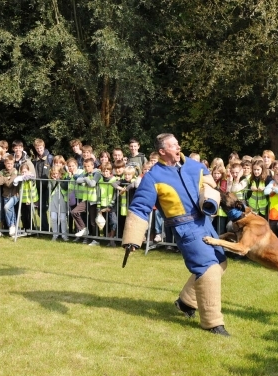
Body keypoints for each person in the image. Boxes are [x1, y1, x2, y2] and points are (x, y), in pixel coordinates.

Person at [122, 133, 229, 336]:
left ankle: (187, 302)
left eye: (177, 143)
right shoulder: (153, 176)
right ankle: (213, 322)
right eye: (173, 145)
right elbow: (140, 206)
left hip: (205, 223)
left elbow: (211, 185)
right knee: (209, 269)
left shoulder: (195, 166)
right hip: (185, 229)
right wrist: (132, 238)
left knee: (220, 261)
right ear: (162, 151)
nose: (178, 147)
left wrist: (210, 193)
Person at [71, 158, 102, 245]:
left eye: (88, 166)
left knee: (93, 221)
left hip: (94, 200)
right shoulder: (86, 174)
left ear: (93, 165)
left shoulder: (97, 173)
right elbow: (77, 180)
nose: (86, 168)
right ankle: (84, 229)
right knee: (74, 212)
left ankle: (96, 240)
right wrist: (86, 178)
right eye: (85, 166)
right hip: (86, 199)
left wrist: (85, 179)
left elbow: (93, 184)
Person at [0, 154, 20, 236]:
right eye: (7, 163)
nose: (9, 165)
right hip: (5, 195)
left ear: (13, 164)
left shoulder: (15, 171)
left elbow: (10, 184)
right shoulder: (2, 171)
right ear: (5, 164)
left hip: (15, 195)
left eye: (11, 163)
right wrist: (7, 179)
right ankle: (14, 227)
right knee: (11, 210)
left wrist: (4, 179)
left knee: (7, 207)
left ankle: (11, 225)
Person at [33, 138, 53, 232]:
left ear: (43, 147)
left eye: (40, 147)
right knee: (41, 209)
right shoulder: (35, 160)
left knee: (54, 209)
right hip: (39, 188)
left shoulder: (50, 158)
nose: (39, 150)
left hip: (49, 187)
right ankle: (45, 228)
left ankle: (58, 230)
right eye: (37, 148)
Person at [97, 162, 118, 246]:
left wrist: (110, 206)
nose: (105, 173)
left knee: (113, 222)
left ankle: (112, 238)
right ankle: (108, 239)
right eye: (103, 171)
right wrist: (99, 207)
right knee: (105, 223)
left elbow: (115, 195)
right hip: (102, 205)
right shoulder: (100, 180)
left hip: (111, 206)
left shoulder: (114, 180)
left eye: (107, 171)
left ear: (110, 171)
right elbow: (98, 194)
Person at [48, 165, 68, 242]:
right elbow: (50, 187)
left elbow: (65, 187)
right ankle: (55, 235)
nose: (55, 175)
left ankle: (64, 235)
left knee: (63, 218)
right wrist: (54, 180)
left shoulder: (63, 180)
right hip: (53, 201)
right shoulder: (50, 181)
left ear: (60, 173)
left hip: (62, 201)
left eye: (57, 173)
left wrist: (59, 180)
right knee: (53, 218)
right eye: (53, 174)